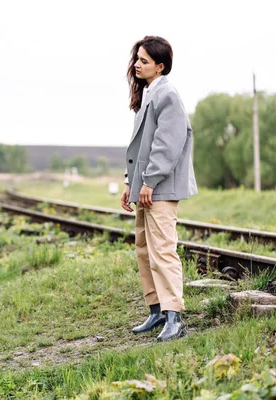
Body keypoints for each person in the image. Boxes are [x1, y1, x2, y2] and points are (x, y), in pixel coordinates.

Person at [121, 36, 198, 342]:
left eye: (144, 61)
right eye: (137, 59)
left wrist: (149, 181)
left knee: (163, 251)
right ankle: (156, 310)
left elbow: (167, 145)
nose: (137, 65)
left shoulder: (167, 95)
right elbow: (141, 147)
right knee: (144, 250)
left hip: (160, 189)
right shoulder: (149, 94)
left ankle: (174, 317)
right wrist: (131, 183)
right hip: (145, 189)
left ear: (160, 66)